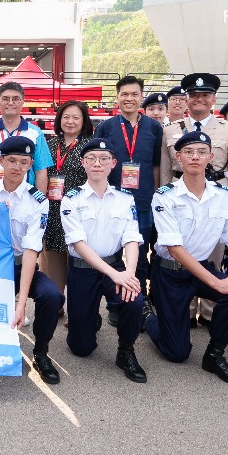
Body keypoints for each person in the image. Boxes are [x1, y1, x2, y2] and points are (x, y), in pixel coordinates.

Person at [147, 130, 228, 386]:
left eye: (201, 152)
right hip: (171, 272)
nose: (195, 157)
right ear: (179, 157)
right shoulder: (164, 196)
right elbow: (175, 248)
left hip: (201, 268)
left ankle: (214, 354)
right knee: (177, 353)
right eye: (189, 152)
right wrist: (217, 283)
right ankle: (147, 314)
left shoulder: (222, 195)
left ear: (211, 157)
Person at [0, 137, 65, 384]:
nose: (16, 166)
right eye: (11, 160)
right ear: (1, 160)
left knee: (51, 295)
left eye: (23, 162)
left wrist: (21, 304)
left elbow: (31, 251)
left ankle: (41, 351)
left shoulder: (38, 201)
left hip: (20, 266)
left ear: (30, 165)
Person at [59, 137, 149, 382]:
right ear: (83, 163)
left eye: (104, 159)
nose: (97, 163)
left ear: (113, 164)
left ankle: (126, 350)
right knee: (81, 348)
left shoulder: (125, 198)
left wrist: (129, 273)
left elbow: (131, 238)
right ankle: (89, 320)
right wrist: (115, 274)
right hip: (82, 270)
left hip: (115, 265)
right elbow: (78, 243)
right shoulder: (71, 199)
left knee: (133, 299)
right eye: (91, 159)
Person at [98, 75, 164, 295]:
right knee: (112, 252)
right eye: (124, 94)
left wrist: (153, 194)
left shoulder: (154, 127)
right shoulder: (106, 127)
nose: (129, 98)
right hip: (112, 200)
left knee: (141, 251)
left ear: (141, 97)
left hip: (143, 200)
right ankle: (116, 301)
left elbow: (156, 165)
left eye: (134, 94)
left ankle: (139, 298)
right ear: (117, 97)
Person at [166, 73, 228, 218]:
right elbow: (165, 172)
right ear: (187, 99)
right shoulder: (169, 130)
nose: (199, 99)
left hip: (217, 194)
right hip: (179, 195)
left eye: (205, 95)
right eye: (194, 95)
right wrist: (163, 200)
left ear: (214, 99)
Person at [40, 100, 94, 292]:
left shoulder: (90, 146)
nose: (70, 121)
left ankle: (78, 309)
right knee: (53, 259)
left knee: (79, 257)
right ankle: (56, 302)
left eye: (76, 117)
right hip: (53, 208)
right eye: (66, 117)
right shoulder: (50, 144)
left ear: (84, 120)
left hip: (79, 209)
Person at [0, 82, 54, 191]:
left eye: (15, 99)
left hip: (25, 197)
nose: (10, 103)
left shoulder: (35, 133)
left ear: (23, 102)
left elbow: (41, 171)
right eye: (6, 99)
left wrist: (40, 203)